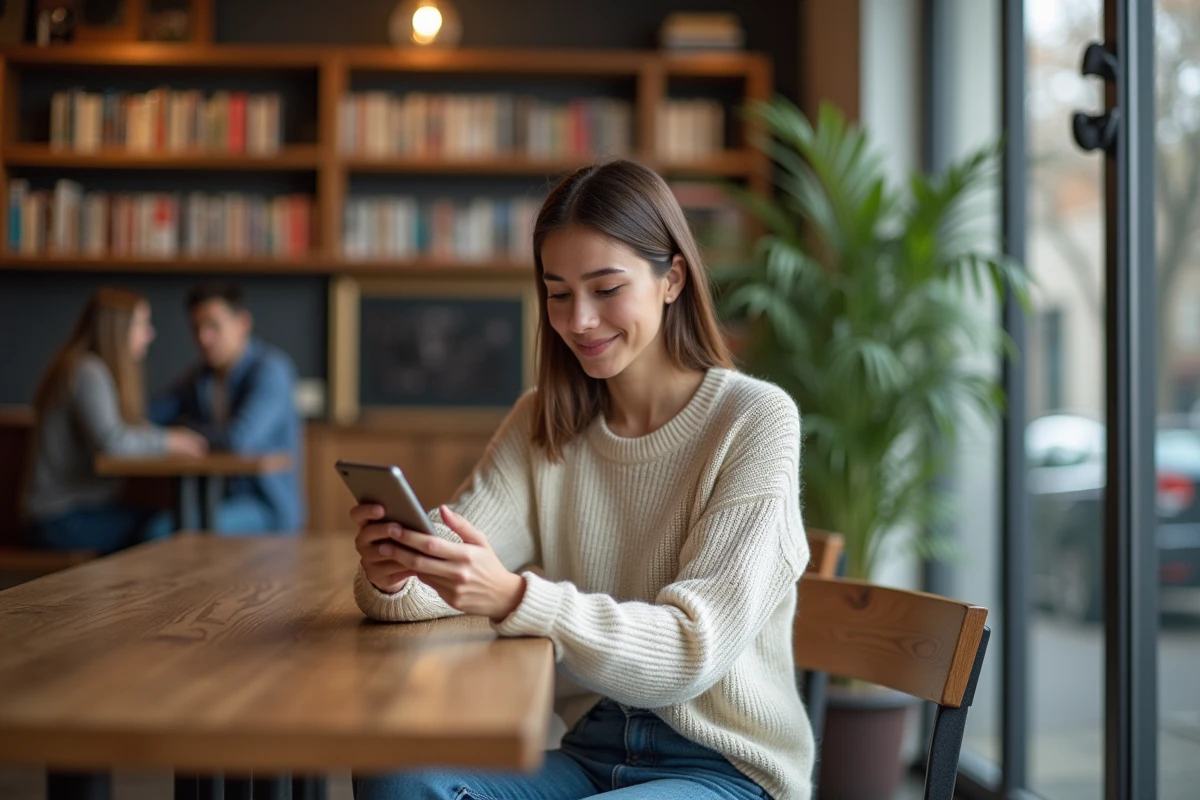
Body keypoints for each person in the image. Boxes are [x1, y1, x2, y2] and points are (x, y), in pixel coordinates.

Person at [350, 160, 813, 800]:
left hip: (723, 768)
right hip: (593, 750)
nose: (580, 321)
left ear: (672, 278)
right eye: (559, 292)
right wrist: (396, 571)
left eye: (606, 288)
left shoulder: (754, 421)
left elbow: (690, 651)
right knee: (397, 778)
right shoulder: (542, 420)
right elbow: (449, 570)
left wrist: (517, 599)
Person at [23, 288, 208, 554]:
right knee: (165, 528)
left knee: (165, 523)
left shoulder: (80, 367)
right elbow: (113, 442)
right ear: (119, 330)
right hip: (61, 520)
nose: (150, 334)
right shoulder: (88, 372)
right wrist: (169, 441)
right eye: (143, 324)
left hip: (65, 515)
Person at [150, 281, 304, 534]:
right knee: (163, 528)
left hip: (266, 507)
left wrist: (185, 431)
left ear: (242, 323)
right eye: (196, 328)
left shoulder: (271, 371)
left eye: (213, 326)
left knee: (162, 532)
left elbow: (239, 439)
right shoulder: (201, 377)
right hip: (215, 499)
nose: (203, 338)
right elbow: (154, 414)